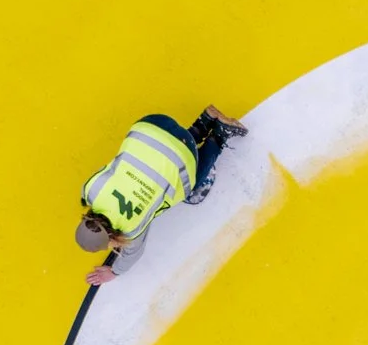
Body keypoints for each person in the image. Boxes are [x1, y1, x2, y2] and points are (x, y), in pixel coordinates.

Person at [74, 106, 247, 285]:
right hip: (151, 125)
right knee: (161, 157)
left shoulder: (131, 229)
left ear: (111, 239)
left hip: (182, 152)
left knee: (190, 186)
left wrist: (114, 272)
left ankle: (218, 135)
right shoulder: (89, 191)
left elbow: (133, 254)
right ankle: (203, 122)